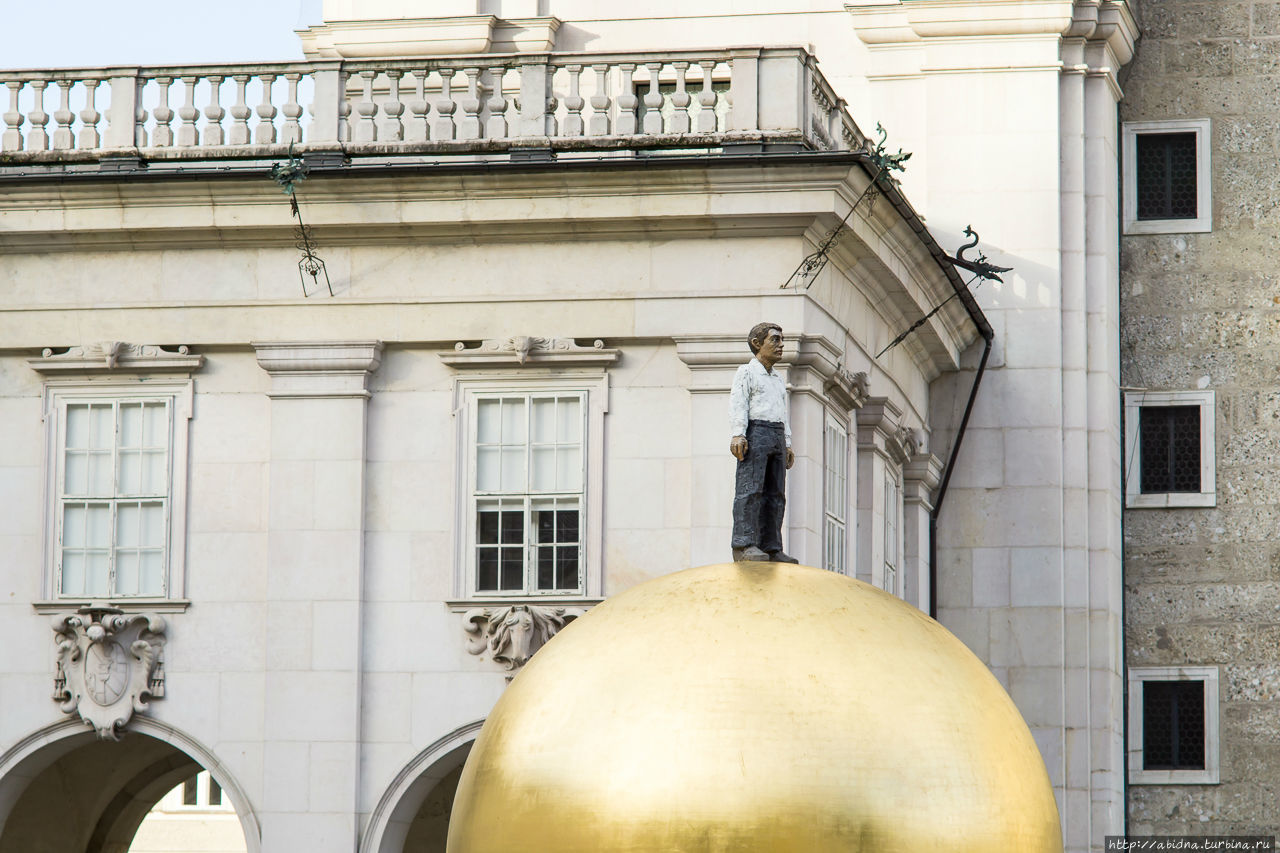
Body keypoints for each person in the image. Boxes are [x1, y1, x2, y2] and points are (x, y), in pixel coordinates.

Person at [728, 323, 798, 563]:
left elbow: (782, 411)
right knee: (750, 490)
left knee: (776, 493)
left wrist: (787, 443)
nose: (781, 346)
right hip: (756, 431)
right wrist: (739, 434)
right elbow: (739, 403)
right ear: (758, 344)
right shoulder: (746, 372)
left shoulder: (778, 379)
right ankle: (744, 543)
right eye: (775, 340)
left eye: (781, 340)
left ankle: (771, 545)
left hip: (776, 434)